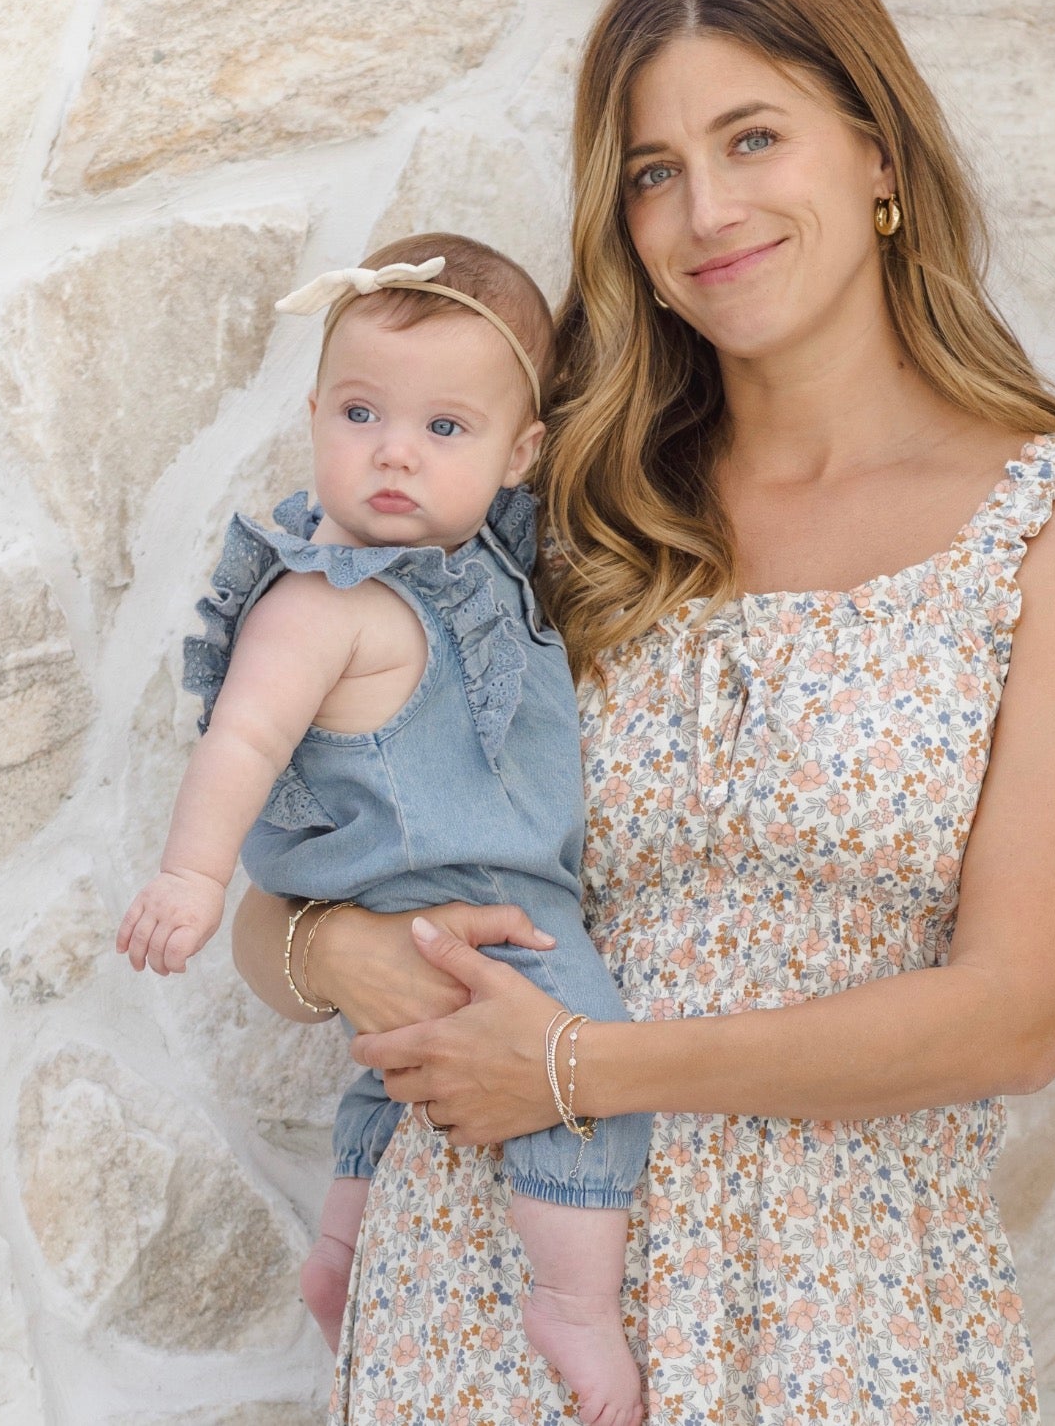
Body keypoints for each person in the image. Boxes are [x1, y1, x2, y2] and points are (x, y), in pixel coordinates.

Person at [233, 0, 1055, 1422]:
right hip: (483, 1297)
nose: (706, 211)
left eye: (753, 139)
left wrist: (580, 1067)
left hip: (840, 1317)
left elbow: (1018, 1017)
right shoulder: (540, 525)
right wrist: (340, 956)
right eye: (653, 171)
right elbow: (277, 896)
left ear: (879, 155)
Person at [119, 231, 653, 1426]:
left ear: (520, 456)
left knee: (390, 1085)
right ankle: (575, 1303)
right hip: (480, 917)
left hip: (438, 926)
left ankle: (340, 1257)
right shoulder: (324, 597)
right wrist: (192, 879)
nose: (395, 452)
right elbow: (242, 741)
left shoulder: (480, 567)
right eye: (361, 414)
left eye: (445, 428)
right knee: (586, 1065)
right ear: (314, 417)